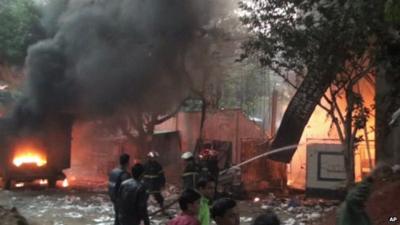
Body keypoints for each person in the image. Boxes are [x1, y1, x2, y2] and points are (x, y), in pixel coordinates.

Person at [108, 153, 131, 225]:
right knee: (123, 220)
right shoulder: (124, 174)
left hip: (114, 199)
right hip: (121, 201)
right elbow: (128, 189)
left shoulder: (113, 171)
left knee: (117, 218)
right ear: (127, 163)